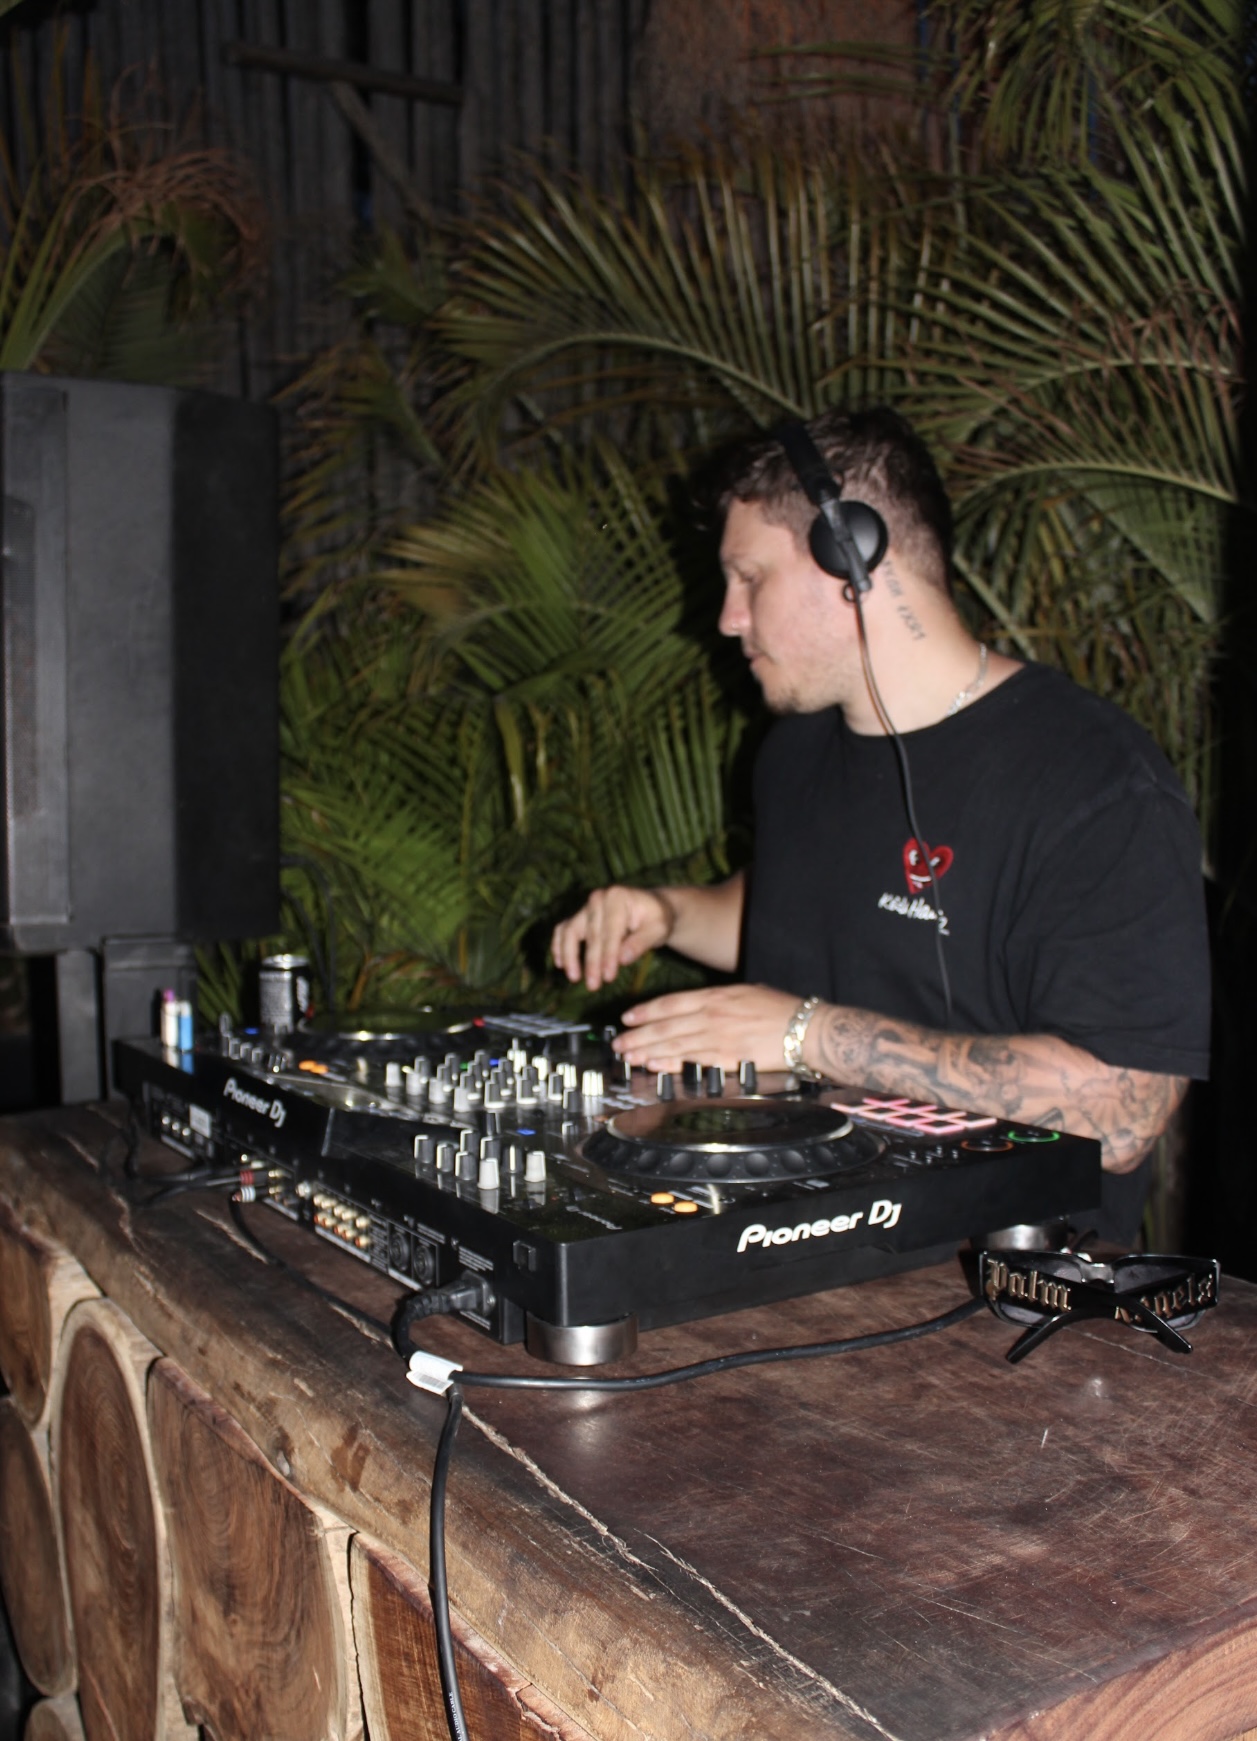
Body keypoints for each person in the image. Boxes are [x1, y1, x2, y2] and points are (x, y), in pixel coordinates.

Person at [551, 408, 1210, 1239]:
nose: (727, 617)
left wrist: (806, 1034)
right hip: (784, 1235)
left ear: (851, 551)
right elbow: (799, 909)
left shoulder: (1096, 780)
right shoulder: (793, 750)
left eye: (748, 577)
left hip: (998, 1279)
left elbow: (1123, 1111)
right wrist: (668, 912)